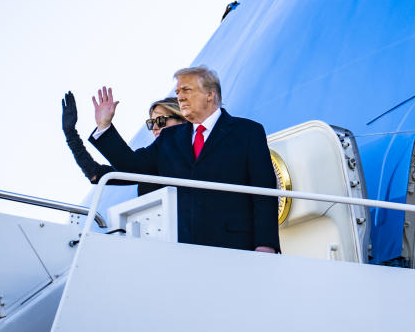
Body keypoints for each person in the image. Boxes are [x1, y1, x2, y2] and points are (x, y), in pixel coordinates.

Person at [88, 66, 280, 253]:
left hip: (235, 246)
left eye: (187, 90)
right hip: (180, 248)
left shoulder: (247, 131)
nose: (180, 96)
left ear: (210, 94)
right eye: (178, 91)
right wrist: (105, 127)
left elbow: (264, 191)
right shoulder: (169, 138)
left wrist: (266, 243)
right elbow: (132, 166)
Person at [62, 92, 187, 196]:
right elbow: (96, 174)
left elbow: (131, 164)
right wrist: (71, 133)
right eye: (151, 123)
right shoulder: (153, 160)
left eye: (160, 121)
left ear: (182, 119)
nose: (154, 127)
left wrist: (105, 126)